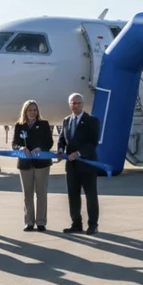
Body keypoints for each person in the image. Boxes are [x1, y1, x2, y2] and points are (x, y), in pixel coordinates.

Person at [57, 93, 101, 234]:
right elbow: (62, 139)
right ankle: (76, 224)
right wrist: (60, 149)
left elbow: (93, 143)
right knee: (73, 196)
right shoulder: (66, 120)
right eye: (73, 103)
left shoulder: (91, 120)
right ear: (69, 104)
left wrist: (78, 153)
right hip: (71, 166)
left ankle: (93, 225)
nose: (75, 106)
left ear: (83, 104)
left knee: (90, 196)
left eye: (78, 103)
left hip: (87, 165)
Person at [12, 100, 53, 232]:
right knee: (27, 194)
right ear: (25, 111)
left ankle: (41, 222)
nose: (32, 112)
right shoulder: (19, 126)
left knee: (41, 193)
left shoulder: (44, 124)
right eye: (30, 110)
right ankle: (29, 222)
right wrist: (20, 147)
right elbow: (14, 144)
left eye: (35, 110)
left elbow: (49, 142)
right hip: (25, 164)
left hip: (42, 164)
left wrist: (40, 148)